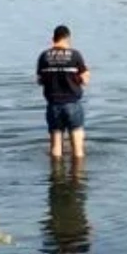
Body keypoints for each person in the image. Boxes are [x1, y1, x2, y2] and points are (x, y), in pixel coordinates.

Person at [37, 25, 90, 160]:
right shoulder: (75, 55)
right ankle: (77, 177)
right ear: (68, 38)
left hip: (53, 104)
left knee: (56, 148)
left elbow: (40, 80)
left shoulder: (44, 56)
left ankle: (56, 178)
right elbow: (85, 80)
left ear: (53, 38)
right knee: (78, 149)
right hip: (72, 103)